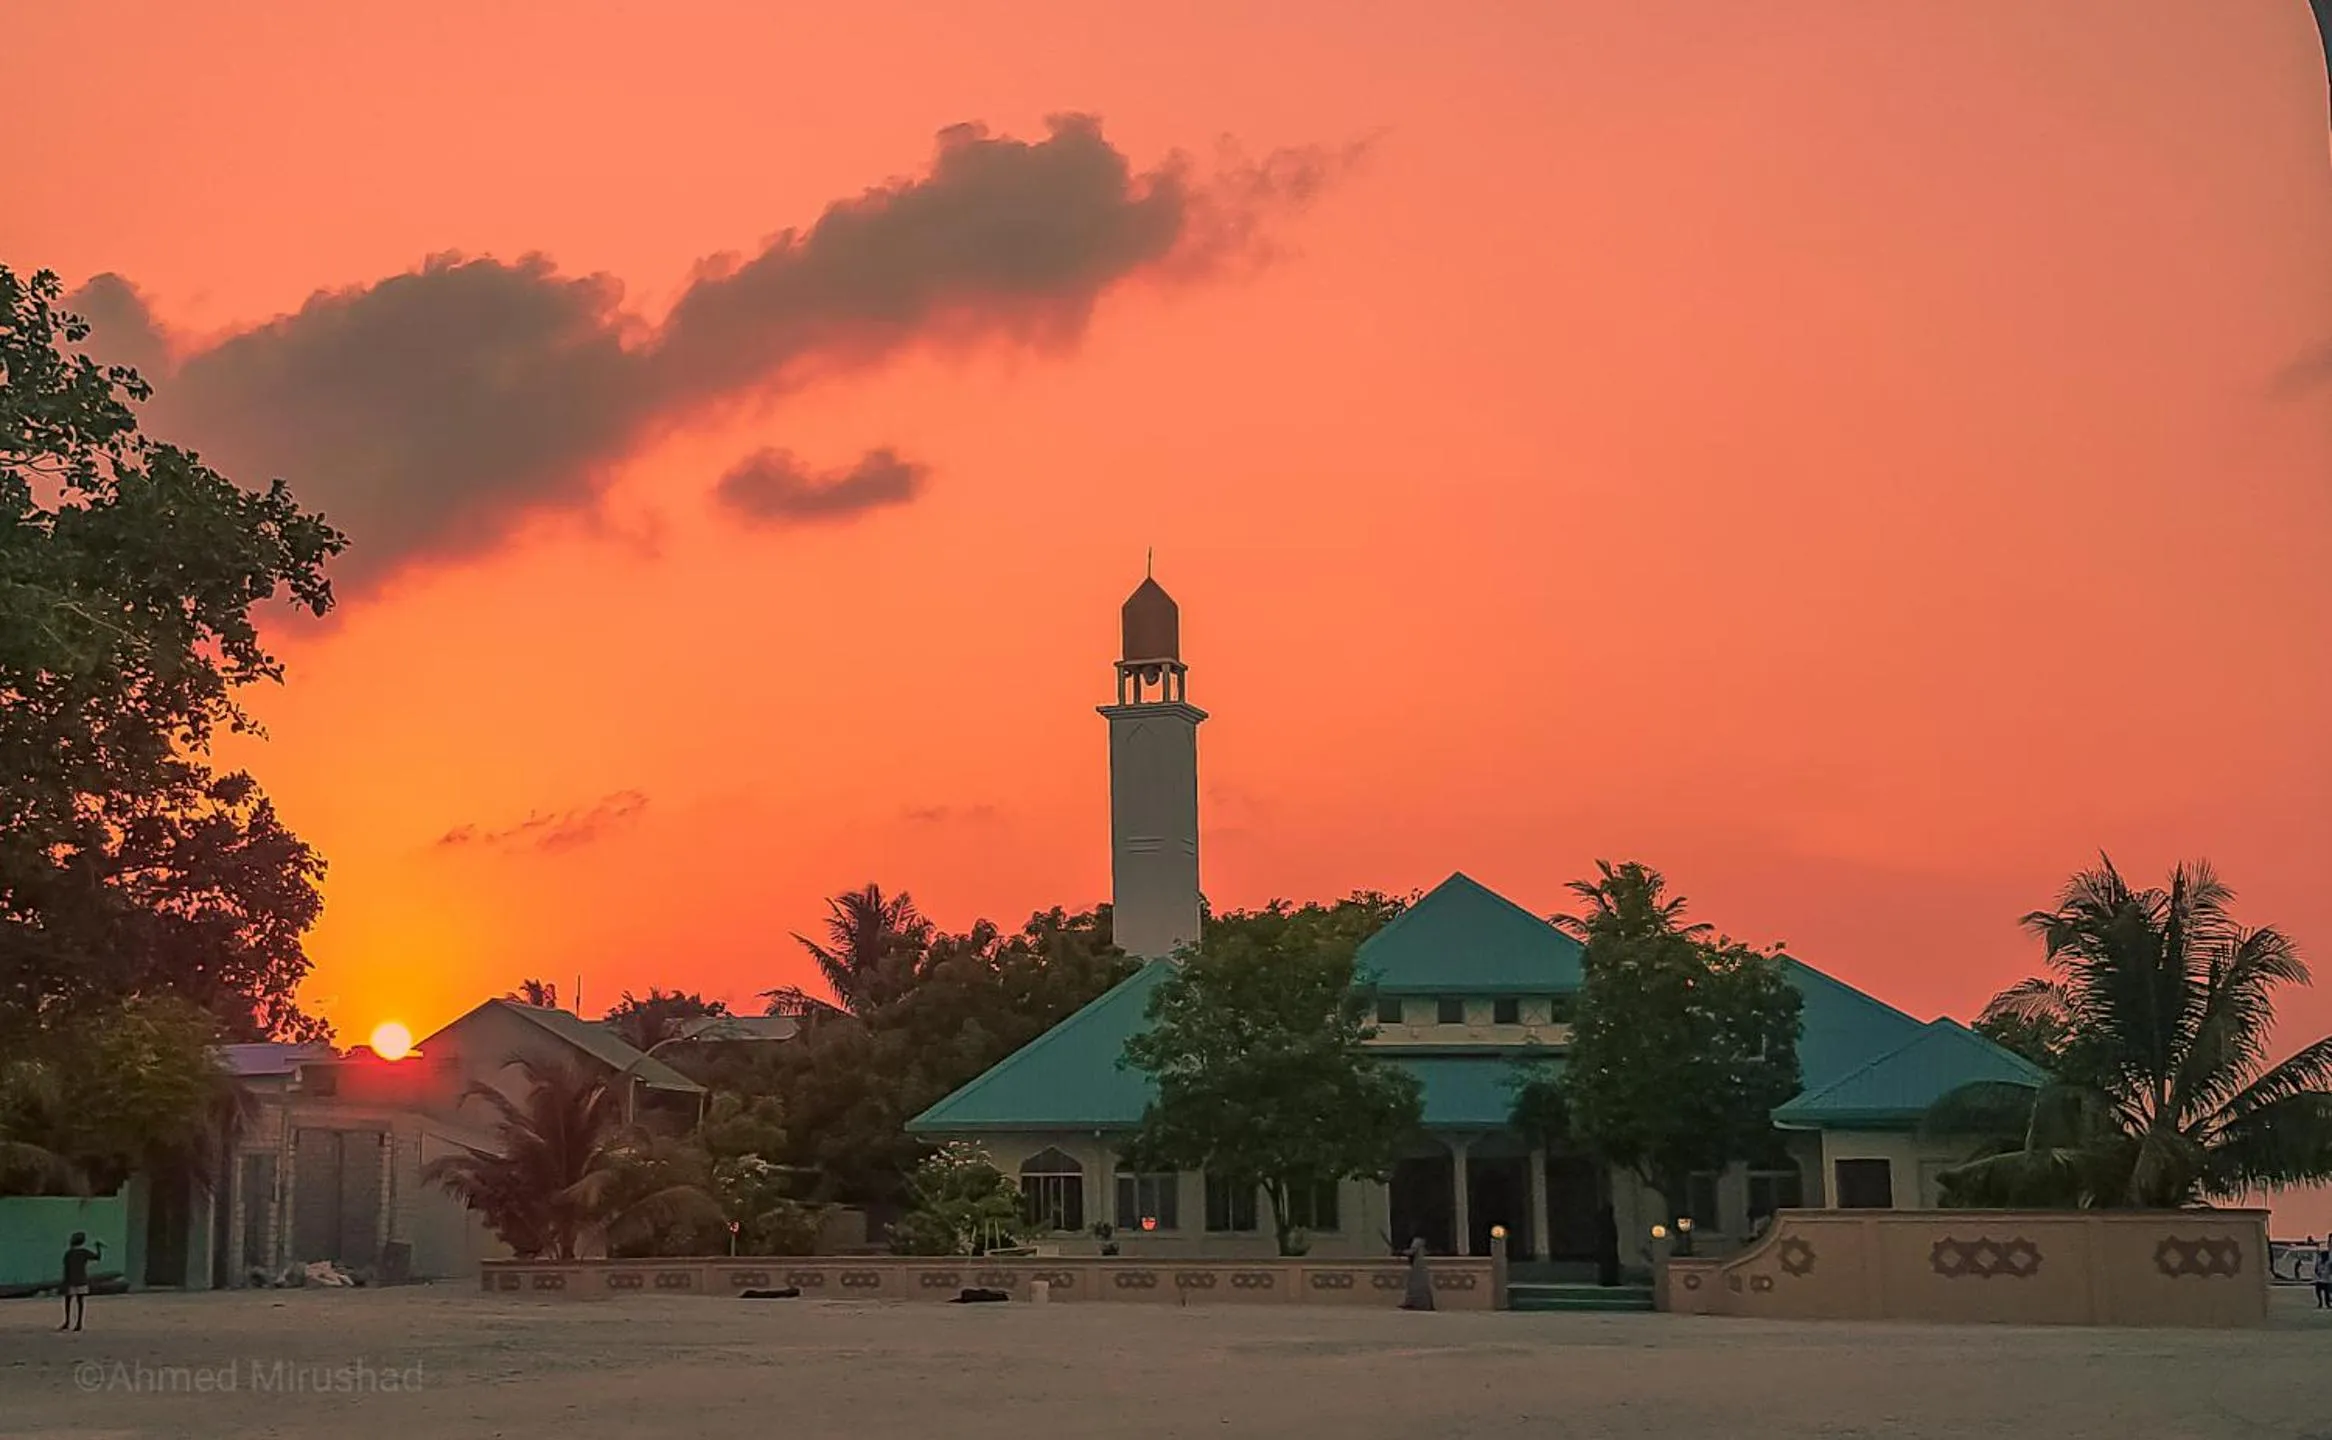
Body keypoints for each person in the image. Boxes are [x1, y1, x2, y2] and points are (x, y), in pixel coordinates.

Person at [59, 1232, 104, 1332]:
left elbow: (66, 1269)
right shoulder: (84, 1252)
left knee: (68, 1301)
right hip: (81, 1280)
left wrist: (64, 1282)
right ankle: (79, 1323)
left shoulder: (69, 1254)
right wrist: (98, 1247)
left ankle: (67, 1321)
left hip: (70, 1280)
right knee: (80, 1302)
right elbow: (98, 1257)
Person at [1595, 1204, 1621, 1288]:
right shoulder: (1607, 1223)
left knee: (1608, 1264)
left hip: (1607, 1246)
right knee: (1608, 1263)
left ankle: (1608, 1279)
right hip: (1608, 1247)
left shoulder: (1602, 1223)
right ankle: (1608, 1279)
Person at [2313, 1242, 2331, 1309]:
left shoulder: (2329, 1262)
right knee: (2318, 1292)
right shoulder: (2319, 1260)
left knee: (2327, 1293)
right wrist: (2317, 1272)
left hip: (2326, 1280)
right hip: (2319, 1279)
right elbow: (2316, 1268)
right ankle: (2320, 1303)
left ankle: (2327, 1304)